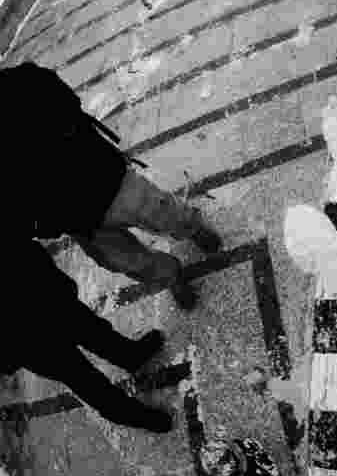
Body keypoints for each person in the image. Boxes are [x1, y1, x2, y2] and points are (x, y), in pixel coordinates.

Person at [0, 62, 223, 311]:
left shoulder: (21, 81)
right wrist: (43, 224)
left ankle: (193, 228)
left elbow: (66, 102)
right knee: (128, 262)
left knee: (163, 212)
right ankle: (171, 275)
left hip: (105, 179)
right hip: (76, 220)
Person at [1, 237, 174, 433]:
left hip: (35, 301)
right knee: (82, 374)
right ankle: (130, 412)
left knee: (93, 337)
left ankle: (130, 357)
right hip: (24, 326)